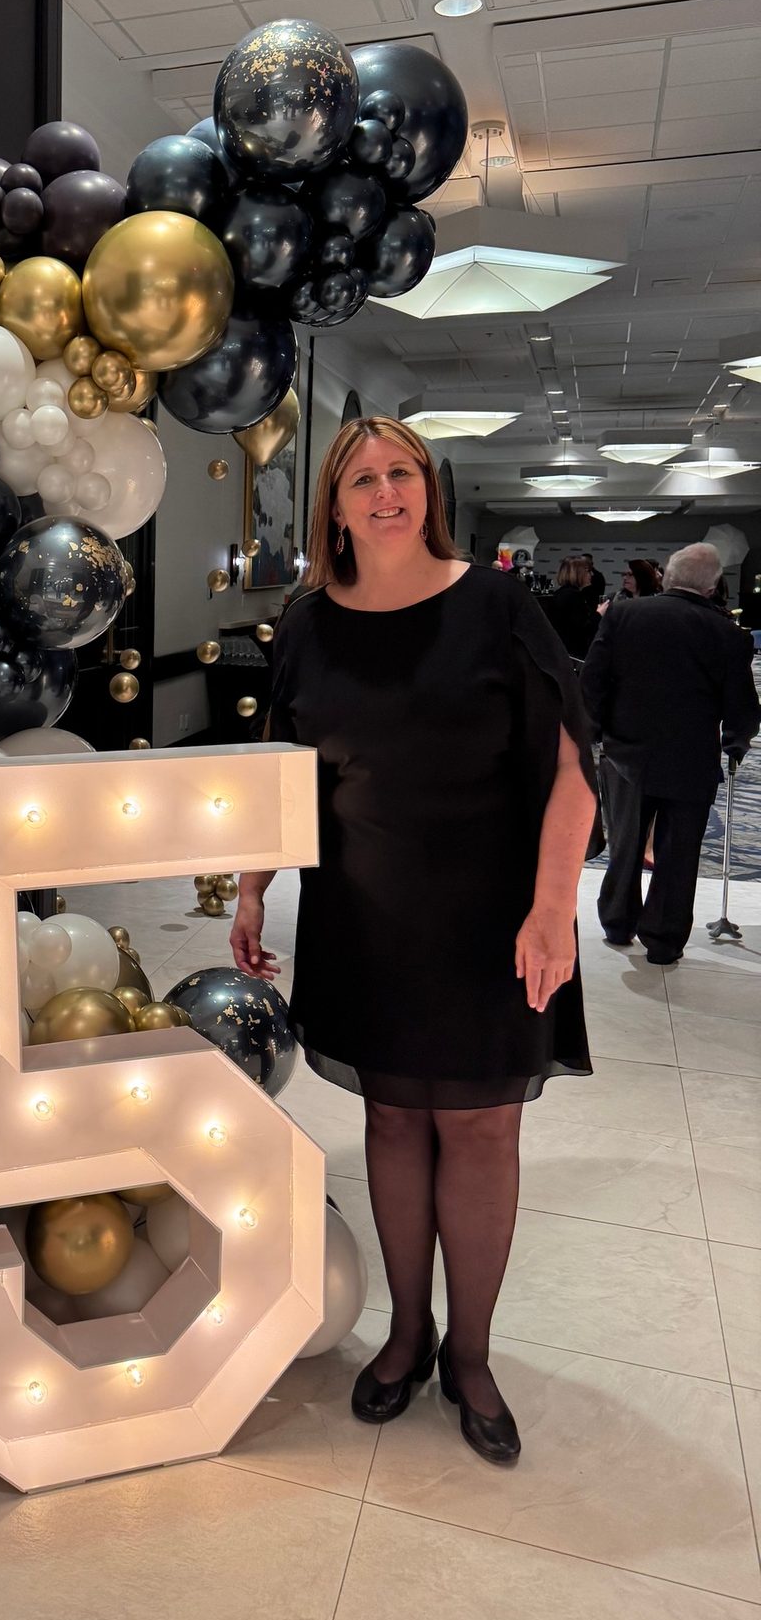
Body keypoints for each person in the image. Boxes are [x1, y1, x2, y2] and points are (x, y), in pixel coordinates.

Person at [230, 416, 595, 1468]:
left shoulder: (494, 603)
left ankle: (470, 1356)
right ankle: (406, 1330)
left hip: (490, 915)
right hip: (359, 910)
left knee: (480, 1131)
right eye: (362, 481)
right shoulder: (305, 623)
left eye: (402, 475)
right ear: (334, 508)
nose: (386, 494)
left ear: (426, 491)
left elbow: (572, 760)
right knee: (394, 1120)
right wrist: (253, 887)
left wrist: (553, 907)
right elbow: (279, 773)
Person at [582, 543, 759, 964]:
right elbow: (742, 707)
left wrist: (590, 734)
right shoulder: (729, 635)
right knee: (679, 854)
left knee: (625, 843)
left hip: (626, 753)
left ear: (667, 576)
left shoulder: (624, 615)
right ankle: (663, 940)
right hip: (690, 759)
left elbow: (593, 681)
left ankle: (618, 923)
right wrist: (736, 742)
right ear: (714, 584)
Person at [543, 555, 599, 660]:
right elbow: (583, 629)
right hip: (571, 655)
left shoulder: (561, 593)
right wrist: (599, 613)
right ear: (578, 573)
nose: (591, 574)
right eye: (588, 571)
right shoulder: (574, 596)